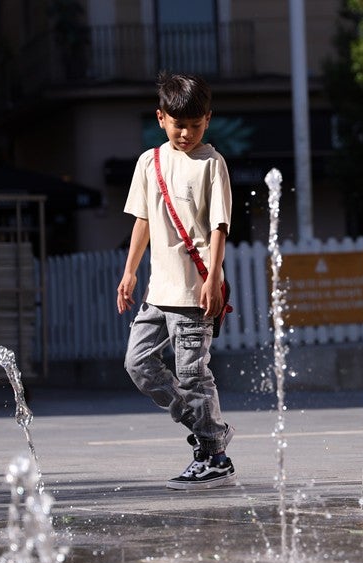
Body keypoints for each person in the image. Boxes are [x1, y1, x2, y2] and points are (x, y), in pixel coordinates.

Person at [116, 72, 236, 489]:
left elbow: (219, 227)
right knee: (138, 363)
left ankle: (214, 455)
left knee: (193, 374)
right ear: (161, 118)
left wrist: (214, 279)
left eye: (195, 125)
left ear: (207, 120)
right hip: (157, 291)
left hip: (193, 291)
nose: (186, 133)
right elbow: (143, 220)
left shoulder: (211, 164)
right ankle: (211, 430)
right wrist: (130, 271)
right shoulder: (149, 162)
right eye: (177, 124)